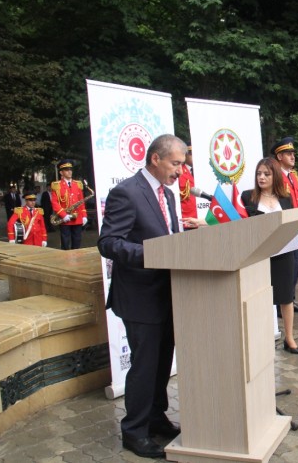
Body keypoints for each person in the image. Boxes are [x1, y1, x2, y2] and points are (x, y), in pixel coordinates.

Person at [97, 134, 186, 459]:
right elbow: (108, 242)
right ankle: (133, 432)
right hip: (139, 297)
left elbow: (168, 237)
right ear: (156, 159)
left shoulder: (169, 195)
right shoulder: (127, 192)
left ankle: (155, 416)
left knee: (162, 363)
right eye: (176, 163)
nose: (180, 170)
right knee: (145, 366)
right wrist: (154, 253)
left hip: (168, 294)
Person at [241, 157, 298, 354]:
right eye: (259, 173)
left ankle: (289, 337)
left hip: (284, 253)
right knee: (261, 297)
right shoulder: (248, 197)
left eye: (266, 174)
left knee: (286, 297)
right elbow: (238, 222)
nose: (262, 177)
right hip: (260, 256)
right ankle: (262, 339)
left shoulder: (285, 198)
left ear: (275, 176)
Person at [271, 137, 298, 314]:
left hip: (296, 228)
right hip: (284, 229)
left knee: (295, 268)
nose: (293, 156)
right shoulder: (276, 176)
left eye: (293, 153)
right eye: (288, 153)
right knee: (284, 270)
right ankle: (281, 304)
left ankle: (290, 300)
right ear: (279, 156)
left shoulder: (293, 176)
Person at [51, 160, 88, 250]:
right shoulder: (57, 185)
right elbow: (54, 202)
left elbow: (81, 201)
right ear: (61, 172)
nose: (69, 172)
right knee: (65, 242)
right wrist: (63, 215)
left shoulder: (77, 184)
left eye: (70, 169)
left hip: (77, 218)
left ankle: (77, 260)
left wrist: (84, 215)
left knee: (77, 242)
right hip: (65, 218)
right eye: (66, 170)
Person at [178, 145, 198, 224]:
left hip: (203, 219)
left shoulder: (205, 171)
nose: (194, 156)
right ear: (185, 154)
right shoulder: (179, 171)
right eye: (191, 153)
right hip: (187, 220)